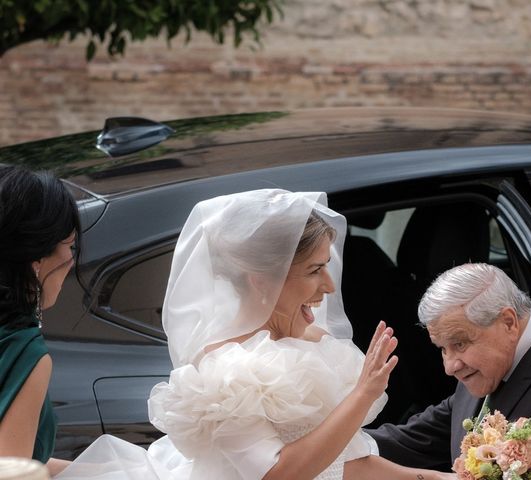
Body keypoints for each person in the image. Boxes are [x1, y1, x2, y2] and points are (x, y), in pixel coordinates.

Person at [57, 189, 452, 480]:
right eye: (315, 270)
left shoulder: (315, 344)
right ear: (264, 280)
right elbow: (277, 476)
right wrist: (362, 393)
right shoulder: (224, 373)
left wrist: (434, 478)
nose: (330, 286)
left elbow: (344, 463)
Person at [368, 263, 531, 480]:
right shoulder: (491, 364)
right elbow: (419, 439)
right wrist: (335, 439)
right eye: (442, 349)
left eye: (459, 344)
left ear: (509, 322)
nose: (450, 366)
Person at [0, 166, 80, 477]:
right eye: (69, 244)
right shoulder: (24, 353)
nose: (72, 259)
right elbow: (14, 471)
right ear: (36, 259)